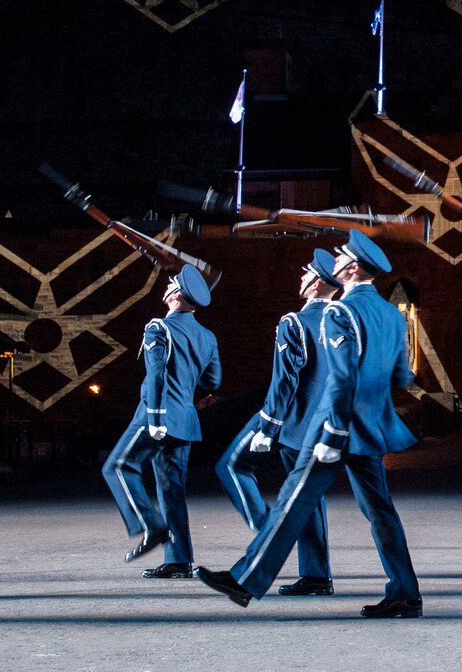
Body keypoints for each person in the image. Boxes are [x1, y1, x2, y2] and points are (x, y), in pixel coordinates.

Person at [197, 230, 424, 618]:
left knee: (292, 500)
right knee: (381, 511)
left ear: (352, 269)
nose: (334, 263)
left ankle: (246, 578)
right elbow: (402, 374)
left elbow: (342, 378)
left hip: (335, 429)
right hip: (370, 426)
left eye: (341, 259)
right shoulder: (391, 313)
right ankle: (405, 592)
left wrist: (332, 431)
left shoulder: (340, 312)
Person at [215, 249, 341, 595]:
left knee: (231, 465)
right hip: (328, 424)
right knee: (308, 498)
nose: (300, 278)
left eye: (305, 274)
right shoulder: (345, 319)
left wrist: (268, 426)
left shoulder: (294, 322)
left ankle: (266, 537)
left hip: (294, 421)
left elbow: (284, 380)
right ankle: (315, 575)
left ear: (316, 283)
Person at [99, 265, 219, 579]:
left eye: (170, 284)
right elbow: (213, 379)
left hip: (157, 414)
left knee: (117, 466)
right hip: (186, 420)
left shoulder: (158, 327)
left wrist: (154, 417)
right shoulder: (207, 335)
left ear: (176, 295)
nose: (165, 287)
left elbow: (156, 374)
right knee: (172, 491)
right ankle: (179, 560)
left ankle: (151, 526)